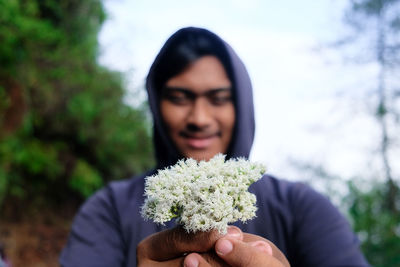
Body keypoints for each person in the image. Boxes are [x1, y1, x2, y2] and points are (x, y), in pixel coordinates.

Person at [60, 27, 369, 266]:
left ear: (242, 105)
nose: (199, 118)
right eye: (179, 98)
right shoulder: (110, 210)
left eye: (219, 99)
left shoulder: (302, 207)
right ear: (156, 104)